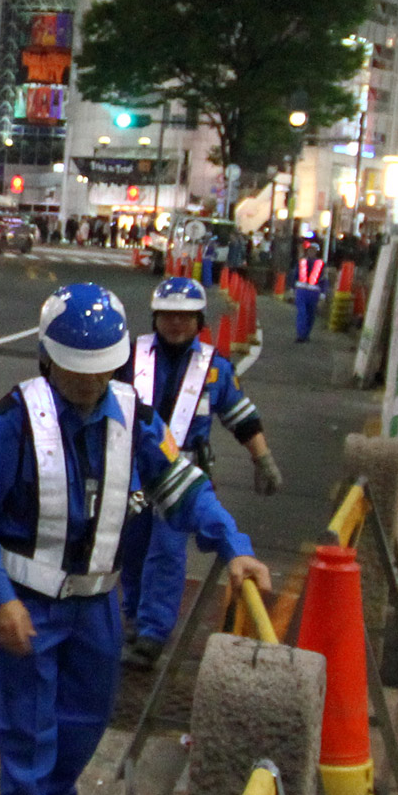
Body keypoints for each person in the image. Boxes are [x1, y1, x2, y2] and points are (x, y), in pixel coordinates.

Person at [0, 283, 271, 795]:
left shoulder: (135, 416)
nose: (90, 384)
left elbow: (184, 489)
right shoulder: (12, 420)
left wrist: (233, 545)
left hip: (97, 605)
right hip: (30, 606)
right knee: (30, 733)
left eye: (102, 369)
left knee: (82, 726)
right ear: (49, 358)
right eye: (78, 370)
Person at [115, 277, 282, 669]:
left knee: (167, 554)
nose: (176, 323)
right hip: (135, 474)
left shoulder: (214, 368)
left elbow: (241, 417)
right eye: (168, 315)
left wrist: (263, 459)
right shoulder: (129, 357)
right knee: (132, 547)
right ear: (156, 316)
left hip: (184, 475)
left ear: (199, 319)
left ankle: (152, 636)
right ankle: (134, 619)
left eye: (185, 317)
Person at [292, 240, 326, 342]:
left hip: (314, 291)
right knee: (302, 313)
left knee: (311, 315)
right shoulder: (302, 262)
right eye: (310, 250)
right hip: (301, 290)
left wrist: (323, 293)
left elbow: (324, 279)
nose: (311, 252)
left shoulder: (321, 264)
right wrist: (292, 288)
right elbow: (295, 275)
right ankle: (301, 335)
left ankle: (306, 335)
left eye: (314, 250)